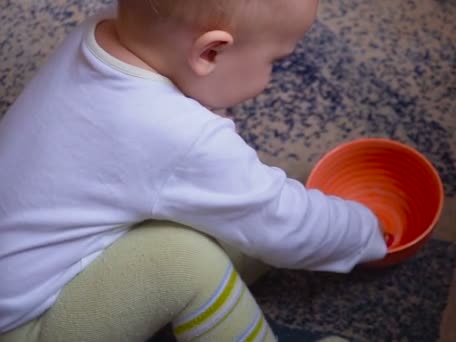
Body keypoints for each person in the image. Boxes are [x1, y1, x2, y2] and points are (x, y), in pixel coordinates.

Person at [0, 0, 388, 341]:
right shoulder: (184, 140)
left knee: (208, 203)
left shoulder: (100, 31)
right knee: (184, 259)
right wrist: (365, 230)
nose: (274, 75)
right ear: (211, 53)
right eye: (276, 61)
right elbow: (285, 224)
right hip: (24, 326)